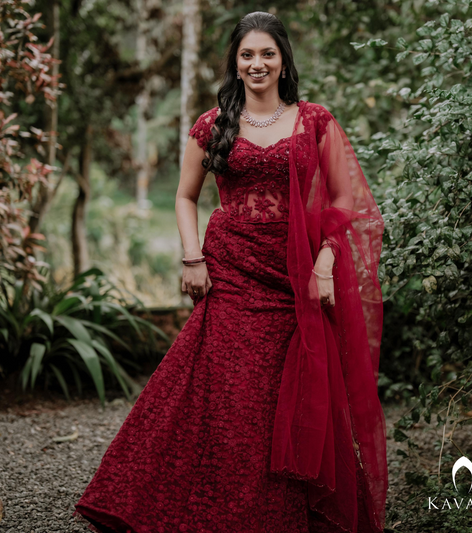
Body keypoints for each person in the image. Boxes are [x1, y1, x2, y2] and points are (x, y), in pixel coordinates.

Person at [72, 11, 387, 533]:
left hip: (295, 278)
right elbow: (184, 196)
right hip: (231, 270)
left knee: (283, 396)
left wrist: (326, 265)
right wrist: (192, 258)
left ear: (283, 59)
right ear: (235, 63)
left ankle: (284, 510)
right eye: (247, 54)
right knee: (228, 395)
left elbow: (344, 201)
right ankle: (211, 507)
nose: (257, 63)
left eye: (267, 53)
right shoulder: (212, 123)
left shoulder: (316, 120)